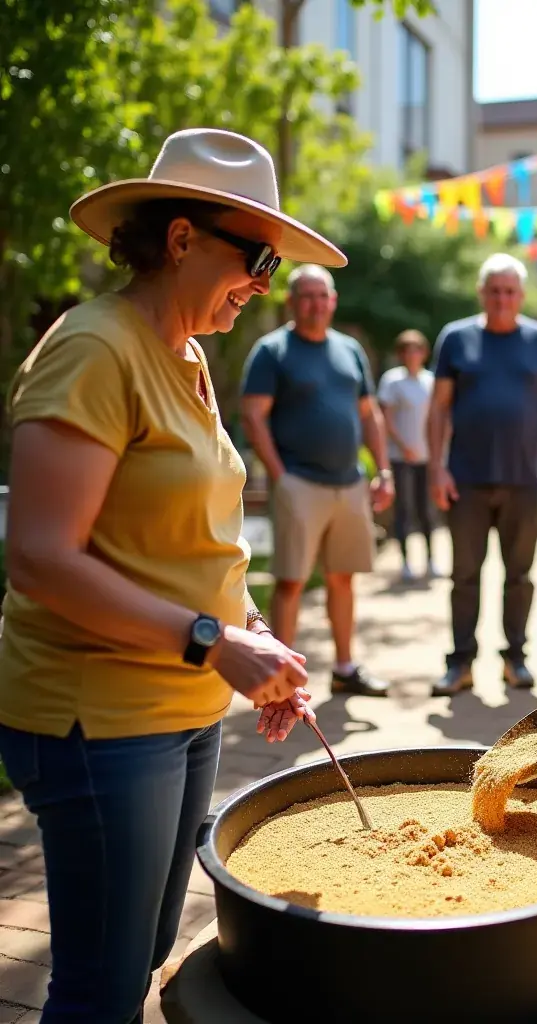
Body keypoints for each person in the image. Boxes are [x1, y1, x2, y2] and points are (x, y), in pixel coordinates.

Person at [0, 128, 339, 1023]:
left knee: (143, 950)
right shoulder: (93, 348)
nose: (266, 283)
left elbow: (196, 537)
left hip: (184, 703)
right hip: (99, 711)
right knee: (100, 984)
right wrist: (209, 641)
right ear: (181, 240)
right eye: (257, 257)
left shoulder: (190, 358)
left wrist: (251, 631)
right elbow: (38, 557)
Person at [241, 264, 394, 697]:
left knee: (343, 577)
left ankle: (345, 668)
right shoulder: (273, 351)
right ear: (291, 302)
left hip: (349, 483)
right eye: (306, 296)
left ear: (333, 300)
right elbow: (253, 415)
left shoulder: (350, 350)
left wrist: (383, 471)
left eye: (322, 295)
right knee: (290, 580)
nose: (315, 304)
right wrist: (280, 476)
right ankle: (281, 678)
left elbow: (369, 414)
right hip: (299, 483)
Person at [427, 253, 537, 695]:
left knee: (519, 576)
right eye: (494, 290)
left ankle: (515, 659)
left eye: (510, 291)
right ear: (482, 293)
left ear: (521, 295)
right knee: (464, 576)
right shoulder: (455, 339)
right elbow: (438, 409)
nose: (502, 299)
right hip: (466, 481)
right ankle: (461, 664)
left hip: (524, 482)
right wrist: (437, 467)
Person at [378, 329, 437, 582]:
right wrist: (404, 446)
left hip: (427, 456)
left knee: (427, 510)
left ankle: (431, 559)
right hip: (401, 457)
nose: (413, 354)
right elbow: (386, 419)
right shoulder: (392, 381)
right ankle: (405, 561)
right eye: (407, 350)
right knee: (404, 509)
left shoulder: (431, 381)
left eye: (417, 349)